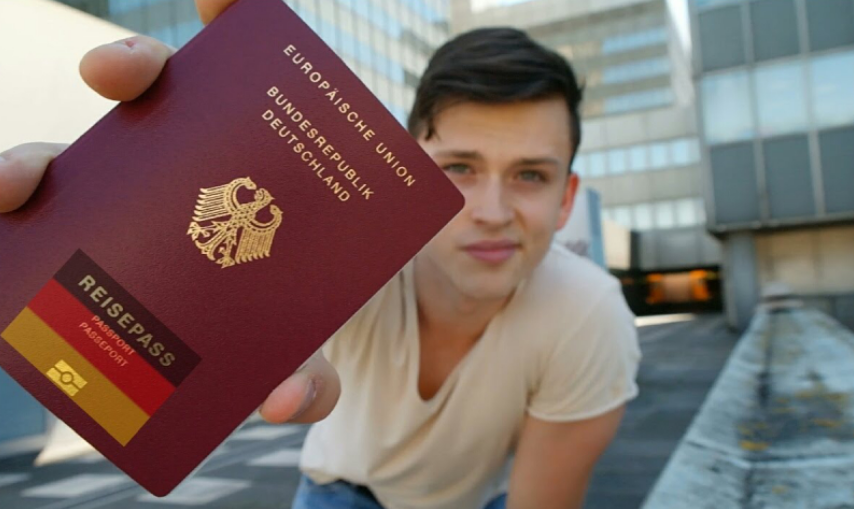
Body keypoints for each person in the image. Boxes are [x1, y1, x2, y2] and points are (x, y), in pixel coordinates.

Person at [0, 1, 641, 508]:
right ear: (416, 168)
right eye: (459, 168)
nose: (493, 210)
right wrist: (100, 208)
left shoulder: (588, 314)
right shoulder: (355, 250)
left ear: (566, 198)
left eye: (530, 175)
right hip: (334, 491)